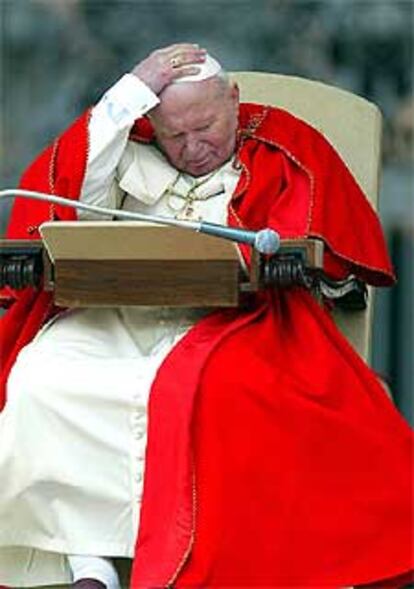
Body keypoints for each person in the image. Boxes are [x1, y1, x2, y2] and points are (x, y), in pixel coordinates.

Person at [0, 43, 412, 589]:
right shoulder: (123, 146)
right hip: (117, 312)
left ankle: (190, 562)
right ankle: (90, 566)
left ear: (233, 102)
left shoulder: (280, 144)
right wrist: (128, 94)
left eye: (207, 129)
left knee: (210, 392)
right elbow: (64, 197)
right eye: (176, 137)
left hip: (228, 321)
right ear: (151, 123)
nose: (194, 148)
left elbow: (323, 237)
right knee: (41, 379)